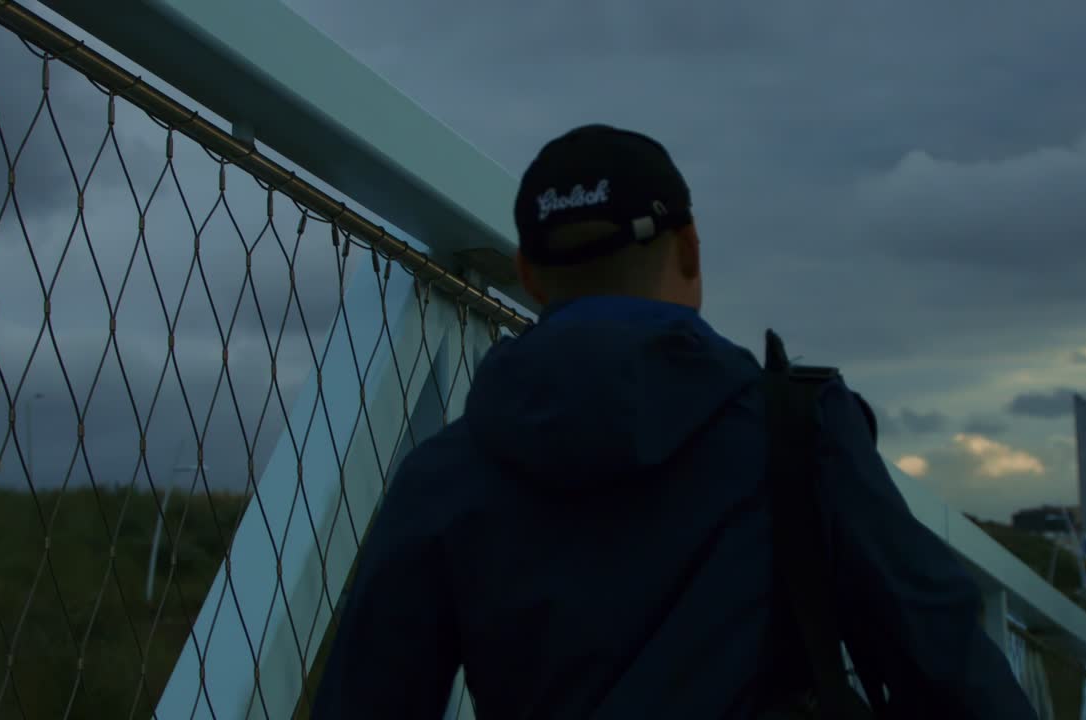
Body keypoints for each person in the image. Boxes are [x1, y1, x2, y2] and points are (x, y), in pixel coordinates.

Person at [311, 124, 1036, 719]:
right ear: (690, 248)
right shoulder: (799, 432)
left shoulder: (444, 474)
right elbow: (948, 666)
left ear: (529, 274)